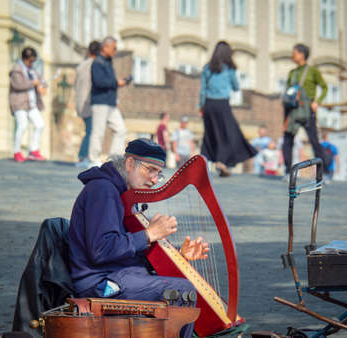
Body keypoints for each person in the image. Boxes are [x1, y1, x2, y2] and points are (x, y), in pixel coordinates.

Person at [68, 138, 209, 338]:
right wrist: (149, 234)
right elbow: (101, 250)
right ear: (129, 164)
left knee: (179, 283)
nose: (154, 179)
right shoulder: (103, 190)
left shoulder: (123, 195)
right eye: (150, 170)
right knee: (181, 290)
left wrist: (179, 255)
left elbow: (128, 252)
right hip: (101, 284)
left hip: (121, 275)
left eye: (158, 174)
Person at [199, 41, 257, 177]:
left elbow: (202, 90)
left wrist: (201, 106)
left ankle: (206, 162)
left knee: (210, 133)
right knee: (228, 133)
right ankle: (221, 162)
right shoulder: (229, 69)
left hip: (208, 104)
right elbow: (236, 87)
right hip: (222, 104)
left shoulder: (207, 68)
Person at [282, 43, 328, 180]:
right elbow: (287, 92)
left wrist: (317, 102)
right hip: (293, 111)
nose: (292, 55)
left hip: (307, 111)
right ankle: (287, 171)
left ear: (302, 54)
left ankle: (324, 174)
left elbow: (324, 88)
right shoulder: (292, 73)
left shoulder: (313, 71)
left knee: (314, 141)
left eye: (294, 52)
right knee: (287, 140)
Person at [88, 36, 128, 167]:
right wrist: (117, 82)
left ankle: (113, 160)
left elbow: (109, 82)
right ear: (105, 47)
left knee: (120, 129)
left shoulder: (108, 62)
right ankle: (93, 159)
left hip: (110, 103)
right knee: (98, 131)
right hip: (100, 102)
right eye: (114, 48)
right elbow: (98, 82)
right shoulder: (97, 62)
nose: (115, 51)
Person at [9, 47, 47, 162]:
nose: (32, 63)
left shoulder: (31, 70)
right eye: (31, 60)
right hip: (19, 103)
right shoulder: (16, 69)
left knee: (40, 124)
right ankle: (17, 151)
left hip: (31, 103)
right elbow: (18, 85)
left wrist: (43, 85)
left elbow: (41, 80)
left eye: (33, 61)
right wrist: (33, 83)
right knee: (22, 126)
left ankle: (34, 151)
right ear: (26, 58)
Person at [75, 40, 101, 168]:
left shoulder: (81, 65)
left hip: (80, 102)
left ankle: (83, 157)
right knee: (91, 131)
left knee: (89, 130)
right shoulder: (95, 65)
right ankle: (83, 157)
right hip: (90, 102)